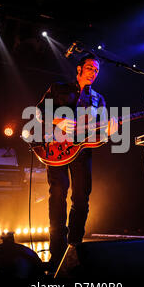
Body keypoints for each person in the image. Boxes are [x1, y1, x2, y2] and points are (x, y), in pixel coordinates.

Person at [35, 53, 118, 270]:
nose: (94, 72)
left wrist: (111, 130)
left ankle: (74, 247)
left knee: (81, 198)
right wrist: (58, 120)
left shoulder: (98, 99)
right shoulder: (59, 88)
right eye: (90, 68)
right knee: (58, 195)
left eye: (97, 70)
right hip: (56, 149)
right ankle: (57, 253)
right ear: (79, 69)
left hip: (82, 152)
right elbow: (39, 112)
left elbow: (100, 132)